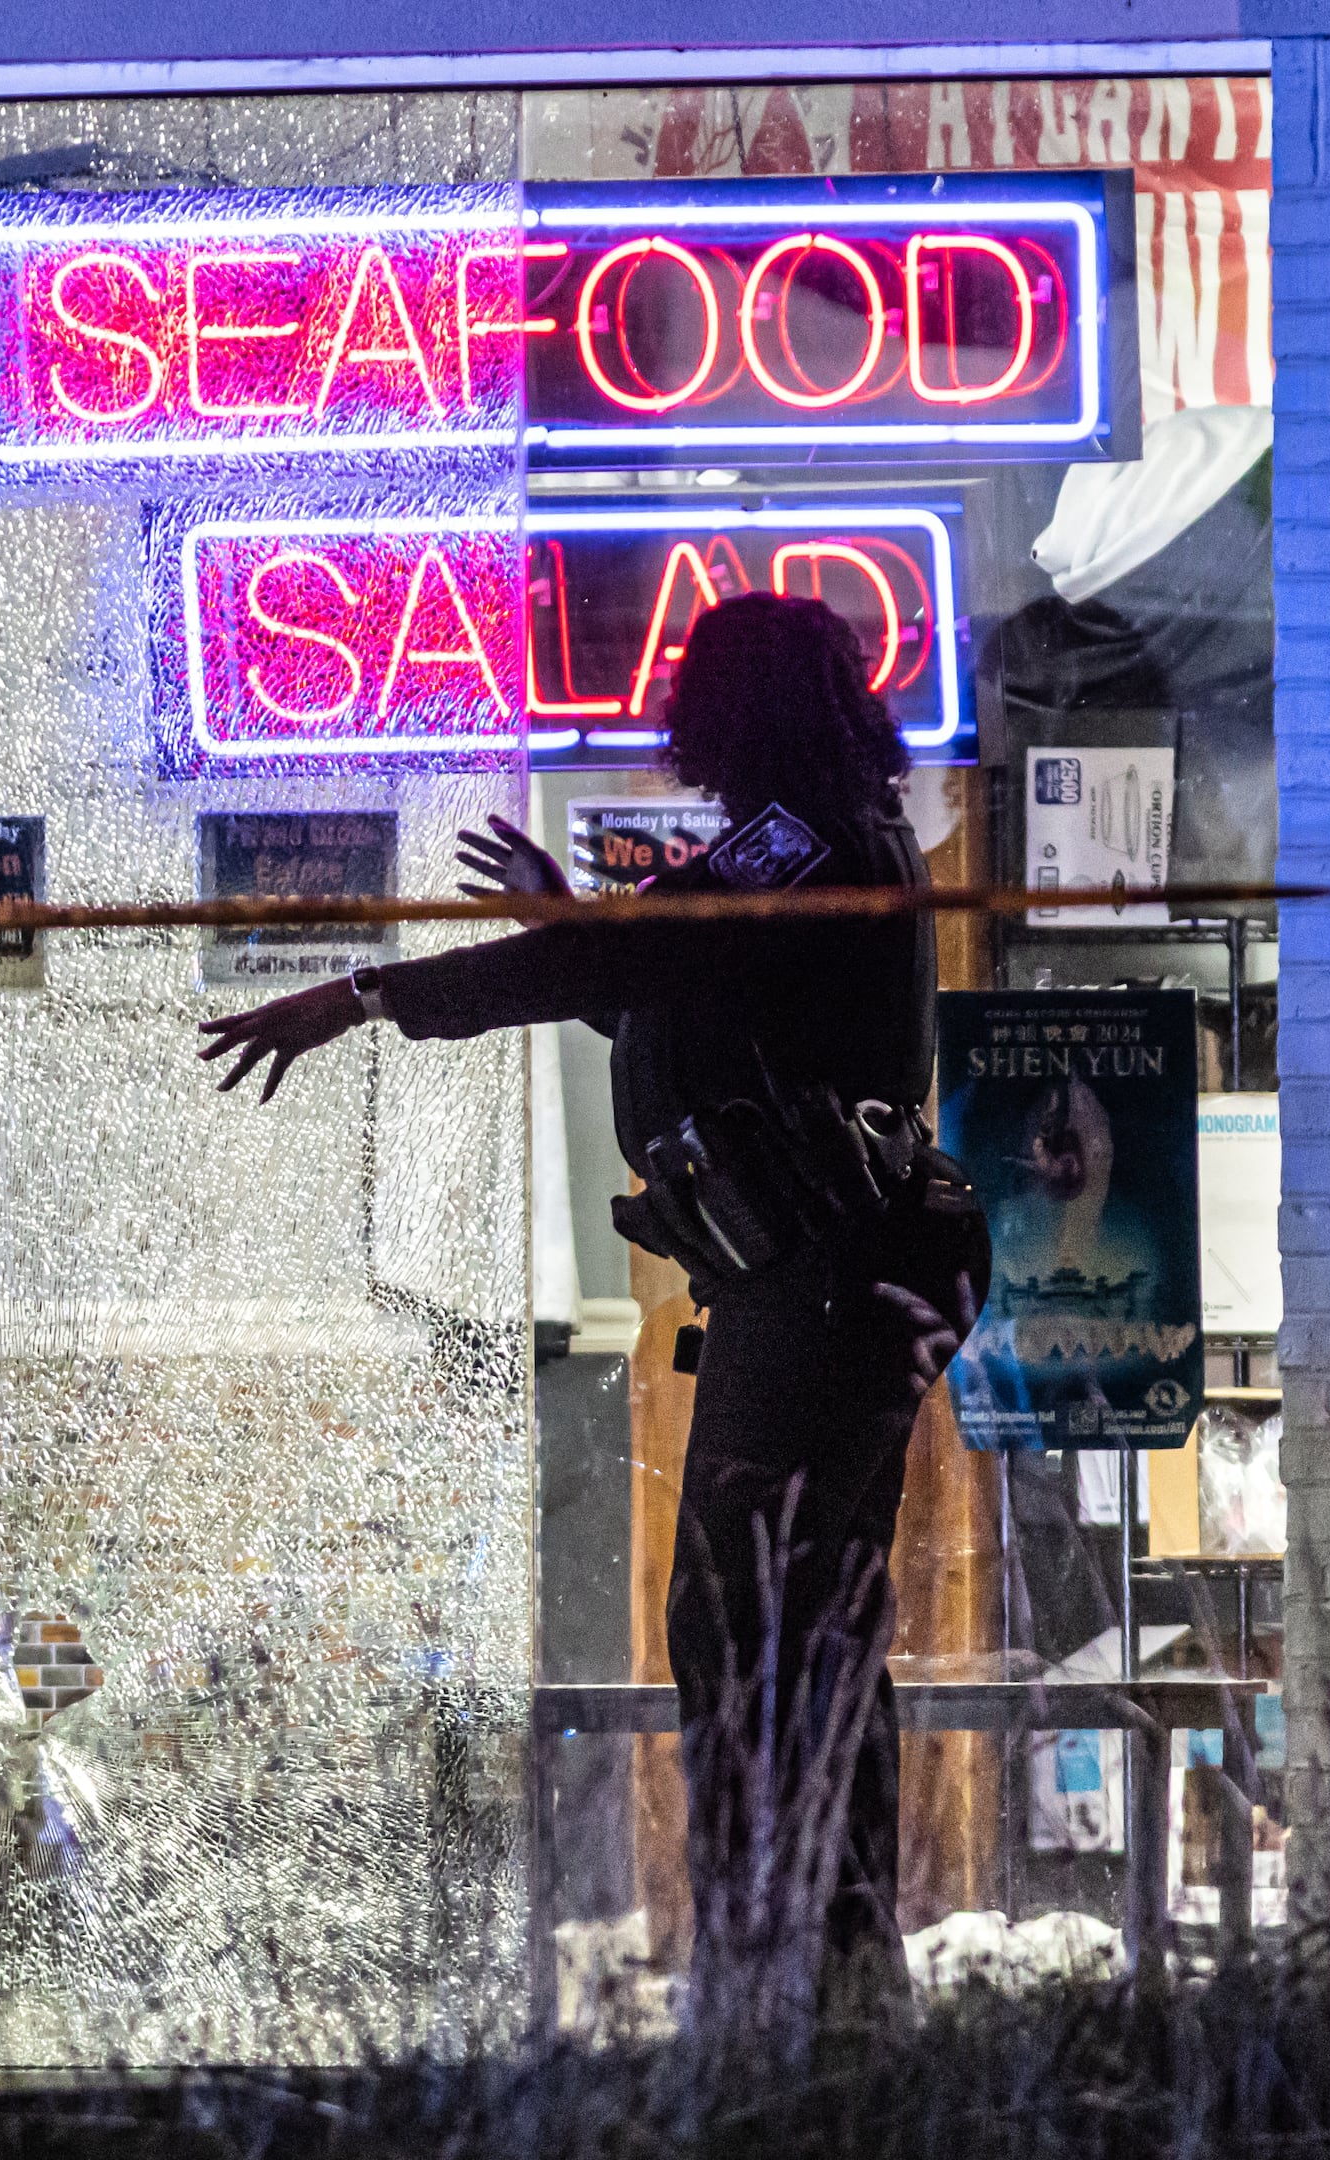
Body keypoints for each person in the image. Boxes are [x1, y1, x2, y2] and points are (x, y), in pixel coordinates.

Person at [195, 593, 968, 2003]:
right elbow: (664, 988)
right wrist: (577, 928)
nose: (679, 711)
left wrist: (366, 993)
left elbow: (629, 963)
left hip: (822, 1283)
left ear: (744, 709)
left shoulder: (798, 840)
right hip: (832, 1278)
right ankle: (836, 1966)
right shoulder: (834, 845)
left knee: (743, 1622)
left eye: (697, 686)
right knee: (815, 1620)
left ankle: (773, 1965)